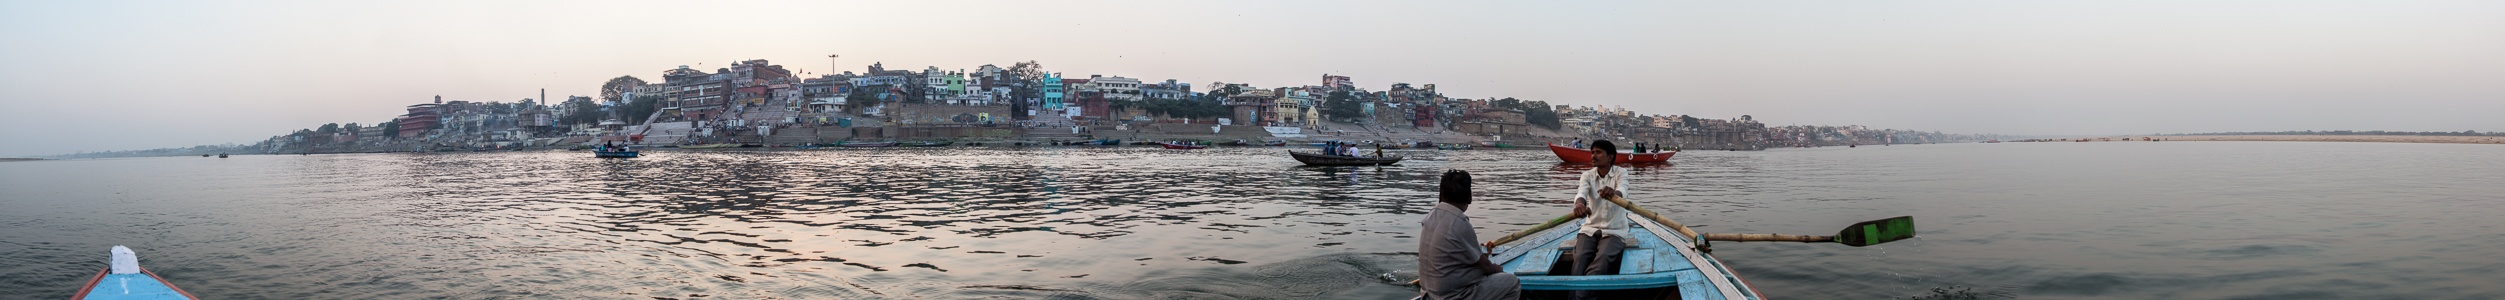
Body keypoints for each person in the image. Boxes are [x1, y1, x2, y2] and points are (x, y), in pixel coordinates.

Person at [1418, 170, 1520, 300]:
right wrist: (1496, 270)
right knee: (1511, 282)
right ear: (1469, 197)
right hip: (1451, 296)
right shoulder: (1459, 222)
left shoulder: (1430, 217)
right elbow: (1485, 266)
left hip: (1428, 294)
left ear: (1440, 195)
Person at [1566, 140, 1630, 300]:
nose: (1593, 156)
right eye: (1592, 152)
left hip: (1614, 230)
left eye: (1598, 152)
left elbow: (1623, 190)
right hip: (1589, 228)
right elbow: (1581, 193)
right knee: (1579, 258)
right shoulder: (1587, 175)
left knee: (1601, 261)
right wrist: (1579, 204)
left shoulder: (1621, 173)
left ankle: (1580, 297)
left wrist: (1614, 193)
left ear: (1610, 157)